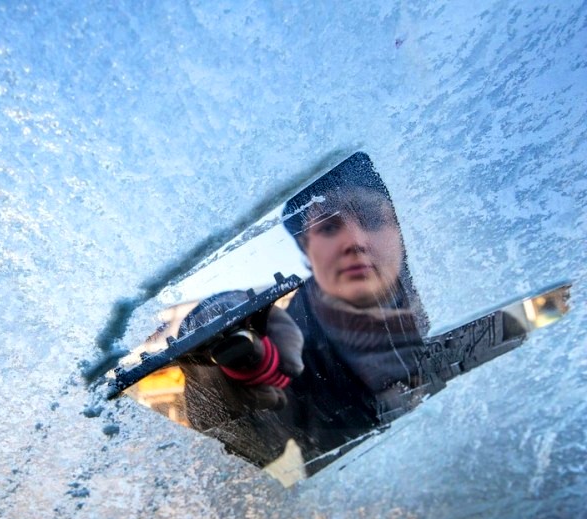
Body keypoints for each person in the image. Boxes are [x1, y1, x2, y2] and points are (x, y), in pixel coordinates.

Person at [179, 153, 430, 475]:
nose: (354, 241)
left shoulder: (464, 305)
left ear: (402, 232)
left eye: (371, 219)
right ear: (305, 248)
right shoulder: (282, 352)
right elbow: (249, 451)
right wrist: (218, 343)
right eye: (329, 227)